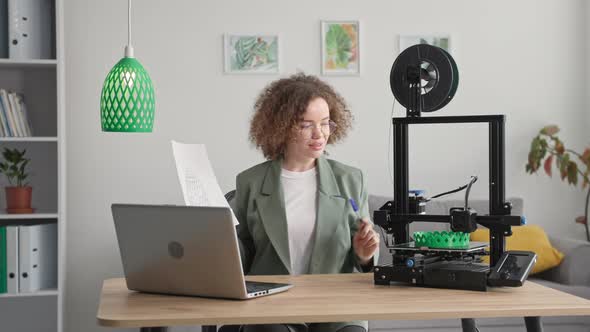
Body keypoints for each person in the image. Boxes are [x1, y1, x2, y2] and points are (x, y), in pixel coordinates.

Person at [225, 73, 380, 332]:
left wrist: (365, 255)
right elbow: (238, 256)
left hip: (336, 308)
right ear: (281, 127)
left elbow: (363, 256)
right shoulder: (250, 182)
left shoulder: (351, 180)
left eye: (326, 123)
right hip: (271, 307)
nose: (319, 134)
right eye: (306, 125)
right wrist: (218, 235)